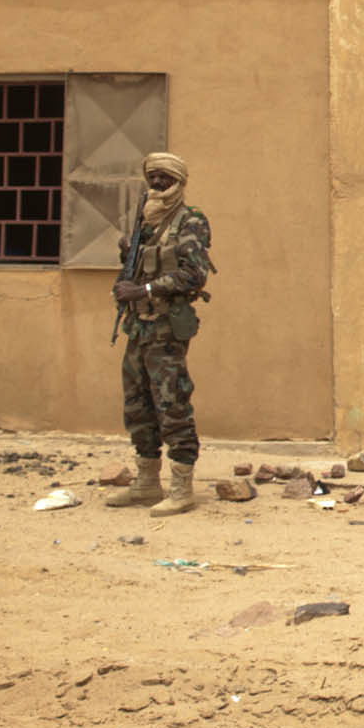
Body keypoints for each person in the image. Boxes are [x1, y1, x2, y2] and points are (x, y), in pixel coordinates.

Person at [106, 151, 214, 518]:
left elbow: (193, 275)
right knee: (137, 405)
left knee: (172, 404)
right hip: (139, 327)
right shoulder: (145, 222)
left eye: (164, 180)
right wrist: (128, 258)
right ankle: (147, 481)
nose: (156, 185)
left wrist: (144, 291)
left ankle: (182, 487)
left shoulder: (190, 221)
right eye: (152, 178)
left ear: (178, 183)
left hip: (166, 327)